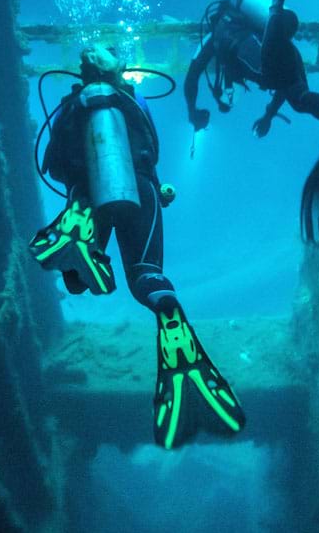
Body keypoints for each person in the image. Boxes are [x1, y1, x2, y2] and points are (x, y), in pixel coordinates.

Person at [30, 47, 245, 450]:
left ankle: (77, 243)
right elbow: (153, 148)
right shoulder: (134, 98)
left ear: (82, 70)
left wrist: (83, 176)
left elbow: (50, 165)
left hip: (85, 194)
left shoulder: (70, 104)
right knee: (146, 275)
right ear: (120, 69)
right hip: (141, 189)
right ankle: (170, 318)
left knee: (76, 281)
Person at [184, 0, 319, 259]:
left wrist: (193, 111)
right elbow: (280, 86)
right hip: (284, 49)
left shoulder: (218, 36)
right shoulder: (237, 28)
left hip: (272, 49)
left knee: (268, 72)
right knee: (298, 97)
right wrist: (268, 115)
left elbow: (191, 76)